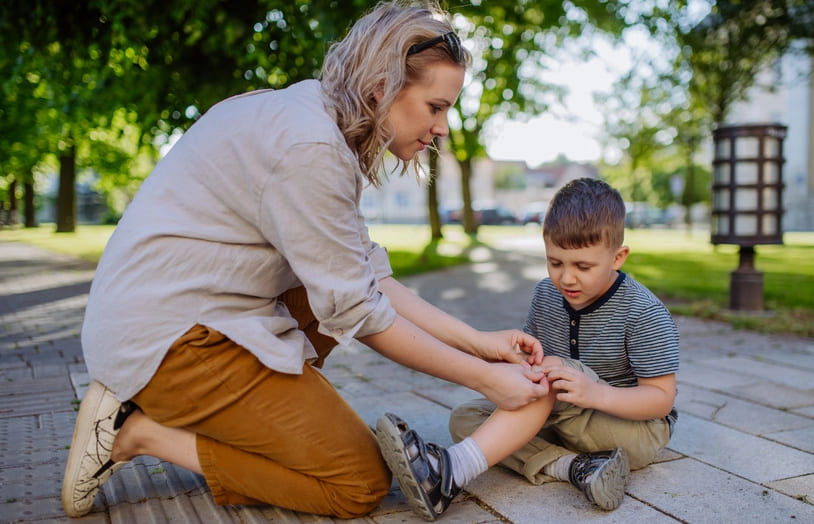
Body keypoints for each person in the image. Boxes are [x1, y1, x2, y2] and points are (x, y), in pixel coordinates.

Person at [61, 1, 551, 519]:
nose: (443, 128)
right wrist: (483, 378)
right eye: (435, 107)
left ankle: (233, 415)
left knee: (330, 295)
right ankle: (136, 433)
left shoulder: (318, 121)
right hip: (167, 339)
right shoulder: (309, 147)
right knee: (358, 483)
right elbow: (360, 313)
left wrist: (480, 345)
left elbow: (368, 277)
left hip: (193, 315)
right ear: (382, 86)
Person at [377, 177, 680, 520]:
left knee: (558, 371)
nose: (567, 278)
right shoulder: (546, 296)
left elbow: (660, 399)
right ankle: (575, 468)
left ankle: (453, 471)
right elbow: (533, 374)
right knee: (465, 420)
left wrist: (594, 393)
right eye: (555, 262)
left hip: (631, 427)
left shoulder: (643, 311)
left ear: (618, 257)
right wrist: (513, 363)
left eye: (583, 266)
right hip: (567, 416)